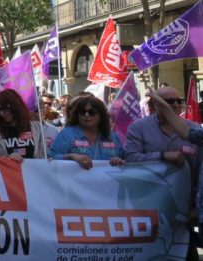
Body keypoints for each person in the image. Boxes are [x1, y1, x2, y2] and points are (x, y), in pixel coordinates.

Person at [124, 86, 202, 261]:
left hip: (184, 208)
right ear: (155, 105)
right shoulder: (139, 127)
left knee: (184, 253)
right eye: (169, 102)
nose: (175, 105)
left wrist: (197, 207)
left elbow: (200, 171)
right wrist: (161, 156)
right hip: (149, 205)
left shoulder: (194, 131)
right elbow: (130, 158)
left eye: (179, 101)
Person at [50, 96, 125, 169]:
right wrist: (70, 156)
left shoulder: (111, 136)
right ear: (77, 115)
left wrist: (119, 160)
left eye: (92, 112)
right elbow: (51, 157)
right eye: (82, 112)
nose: (86, 115)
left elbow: (126, 158)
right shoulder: (67, 134)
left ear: (101, 115)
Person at [0, 89, 47, 162]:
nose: (1, 113)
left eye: (4, 109)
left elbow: (43, 155)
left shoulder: (37, 127)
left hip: (32, 169)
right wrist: (7, 158)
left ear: (15, 107)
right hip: (7, 169)